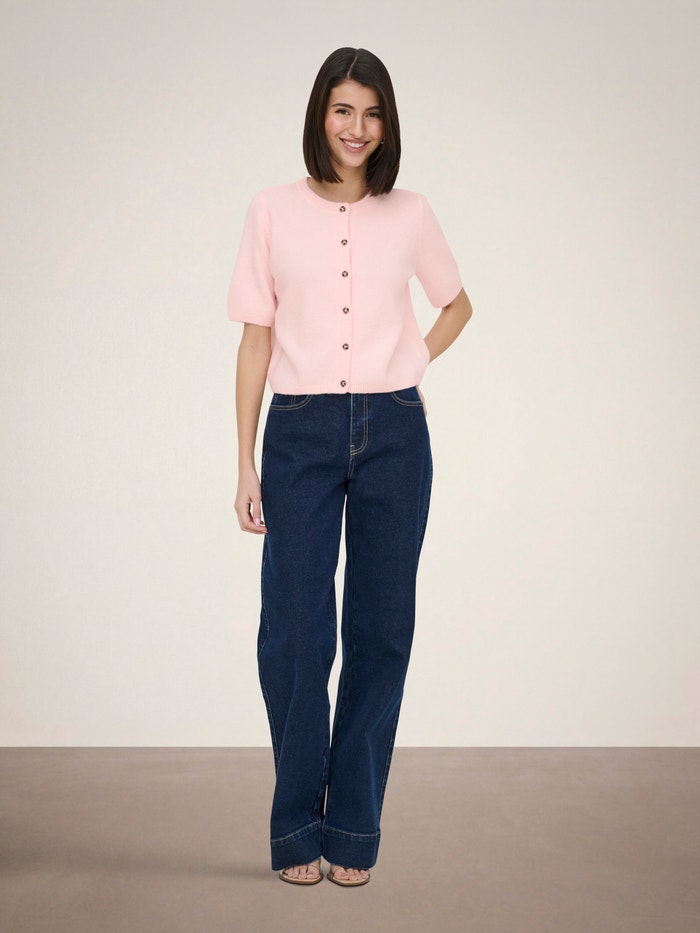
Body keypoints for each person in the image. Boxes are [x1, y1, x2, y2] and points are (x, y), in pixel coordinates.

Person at [228, 47, 472, 887]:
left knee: (381, 628)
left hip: (395, 429)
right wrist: (243, 463)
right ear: (319, 115)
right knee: (295, 632)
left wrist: (412, 361)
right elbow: (255, 340)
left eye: (371, 113)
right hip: (298, 431)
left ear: (387, 123)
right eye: (343, 110)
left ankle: (354, 827)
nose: (357, 128)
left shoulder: (410, 212)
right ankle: (297, 822)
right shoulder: (271, 209)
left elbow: (457, 303)